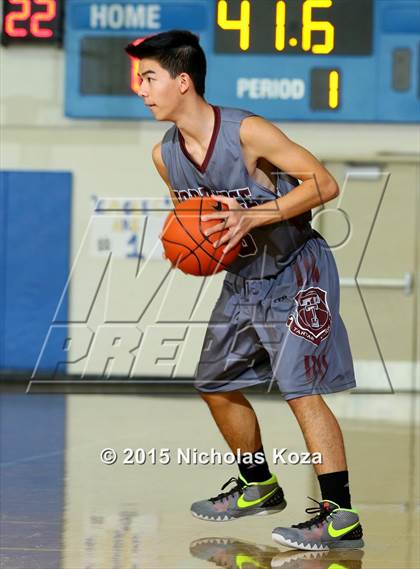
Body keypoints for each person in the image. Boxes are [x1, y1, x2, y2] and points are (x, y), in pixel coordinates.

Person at [125, 30, 364, 552]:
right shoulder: (165, 155)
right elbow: (197, 223)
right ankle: (258, 484)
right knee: (214, 382)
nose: (140, 89)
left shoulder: (247, 132)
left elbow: (323, 183)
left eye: (149, 78)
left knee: (299, 387)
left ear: (182, 81)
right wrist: (202, 248)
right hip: (245, 280)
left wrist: (251, 215)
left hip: (298, 268)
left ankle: (339, 514)